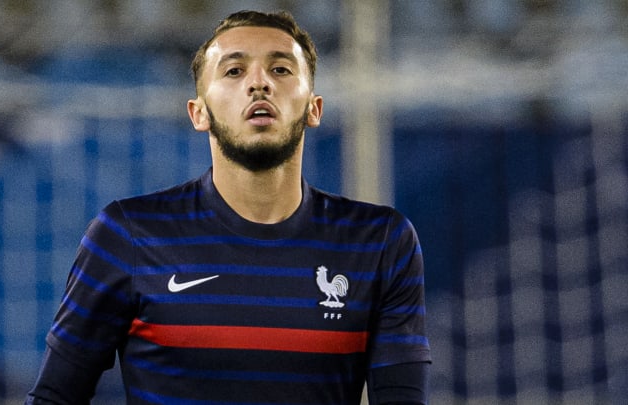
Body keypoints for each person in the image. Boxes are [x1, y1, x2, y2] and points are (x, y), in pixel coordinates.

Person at [26, 10, 430, 405]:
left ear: (314, 108)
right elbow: (53, 397)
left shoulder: (380, 241)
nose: (259, 83)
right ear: (199, 113)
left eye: (281, 70)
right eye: (234, 71)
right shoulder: (128, 233)